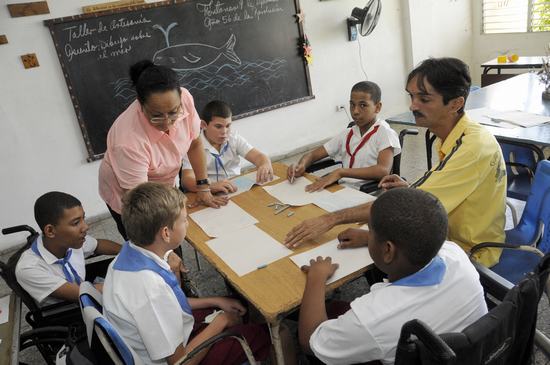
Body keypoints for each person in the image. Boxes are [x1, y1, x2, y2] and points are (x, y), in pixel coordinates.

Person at [285, 57, 506, 268]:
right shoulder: (453, 136)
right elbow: (442, 190)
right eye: (412, 97)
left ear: (455, 104)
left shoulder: (470, 147)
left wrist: (331, 219)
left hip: (468, 250)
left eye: (424, 99)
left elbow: (413, 208)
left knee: (383, 262)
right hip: (444, 229)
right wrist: (413, 190)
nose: (413, 106)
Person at [298, 188, 488, 364]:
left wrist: (317, 277)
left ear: (388, 249)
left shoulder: (372, 318)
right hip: (472, 355)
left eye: (370, 231)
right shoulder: (455, 254)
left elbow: (309, 341)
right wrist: (370, 239)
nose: (368, 234)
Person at [102, 182, 275, 365]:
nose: (188, 223)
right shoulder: (151, 289)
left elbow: (171, 303)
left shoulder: (128, 256)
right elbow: (180, 362)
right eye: (184, 219)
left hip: (171, 336)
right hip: (178, 357)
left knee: (240, 307)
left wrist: (215, 301)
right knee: (276, 334)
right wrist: (221, 322)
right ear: (166, 233)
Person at [98, 60, 227, 240]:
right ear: (141, 106)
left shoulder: (185, 99)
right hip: (132, 195)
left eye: (174, 112)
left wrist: (203, 187)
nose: (168, 122)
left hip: (164, 181)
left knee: (173, 236)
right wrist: (162, 250)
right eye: (157, 116)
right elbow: (141, 203)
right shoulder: (128, 141)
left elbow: (195, 144)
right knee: (153, 245)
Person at [287, 81, 401, 191]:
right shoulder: (348, 133)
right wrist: (301, 165)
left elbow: (383, 170)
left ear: (377, 107)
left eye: (363, 105)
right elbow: (312, 155)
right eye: (352, 104)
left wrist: (341, 172)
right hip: (343, 189)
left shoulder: (384, 133)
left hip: (370, 193)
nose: (355, 111)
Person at [15, 191, 121, 306]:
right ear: (50, 231)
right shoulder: (29, 269)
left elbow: (98, 245)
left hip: (85, 292)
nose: (85, 227)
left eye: (83, 219)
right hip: (70, 311)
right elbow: (82, 294)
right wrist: (129, 283)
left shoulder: (69, 242)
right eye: (76, 223)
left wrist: (129, 252)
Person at [181, 100, 273, 194]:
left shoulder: (233, 138)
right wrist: (209, 186)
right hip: (209, 191)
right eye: (218, 126)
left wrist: (265, 164)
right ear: (204, 125)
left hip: (236, 187)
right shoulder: (194, 145)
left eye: (228, 126)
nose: (224, 132)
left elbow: (258, 156)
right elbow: (187, 180)